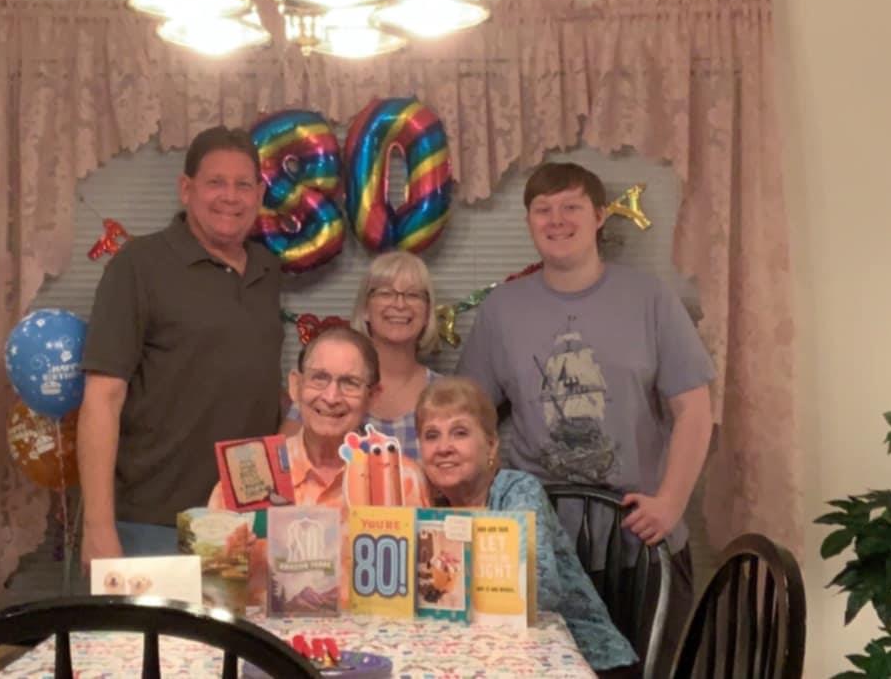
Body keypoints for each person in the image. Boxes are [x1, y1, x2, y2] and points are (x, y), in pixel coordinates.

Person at [456, 162, 714, 674]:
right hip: (538, 545)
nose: (557, 220)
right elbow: (470, 417)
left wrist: (671, 503)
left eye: (571, 206)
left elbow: (695, 410)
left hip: (639, 542)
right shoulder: (502, 310)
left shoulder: (651, 300)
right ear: (529, 221)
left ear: (600, 215)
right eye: (542, 209)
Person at [78, 125, 282, 568]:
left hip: (246, 523)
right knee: (147, 642)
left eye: (243, 184)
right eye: (216, 182)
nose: (231, 196)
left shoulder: (267, 271)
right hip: (151, 525)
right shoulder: (138, 266)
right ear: (186, 189)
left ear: (259, 194)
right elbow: (102, 398)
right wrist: (98, 527)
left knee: (247, 641)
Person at [415, 376, 638, 676]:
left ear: (491, 445)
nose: (443, 447)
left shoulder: (518, 491)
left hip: (586, 660)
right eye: (431, 435)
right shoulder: (433, 511)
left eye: (459, 433)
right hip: (491, 658)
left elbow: (539, 592)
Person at [210, 326, 428, 510]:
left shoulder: (402, 479)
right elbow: (218, 557)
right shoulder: (250, 472)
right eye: (319, 378)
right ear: (296, 386)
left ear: (372, 397)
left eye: (350, 382)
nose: (331, 397)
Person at [280, 251, 441, 459]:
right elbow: (279, 465)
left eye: (413, 295)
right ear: (365, 307)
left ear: (428, 312)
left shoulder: (443, 394)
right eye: (385, 293)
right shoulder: (324, 390)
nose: (400, 304)